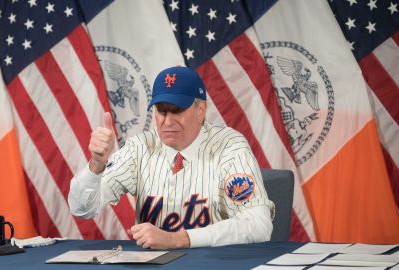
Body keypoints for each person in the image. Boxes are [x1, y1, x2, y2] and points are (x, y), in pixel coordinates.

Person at [68, 66, 274, 249]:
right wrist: (96, 164)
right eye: (161, 110)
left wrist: (178, 239)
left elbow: (259, 225)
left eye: (176, 111)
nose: (167, 121)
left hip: (213, 263)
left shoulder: (229, 146)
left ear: (200, 110)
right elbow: (82, 209)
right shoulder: (140, 147)